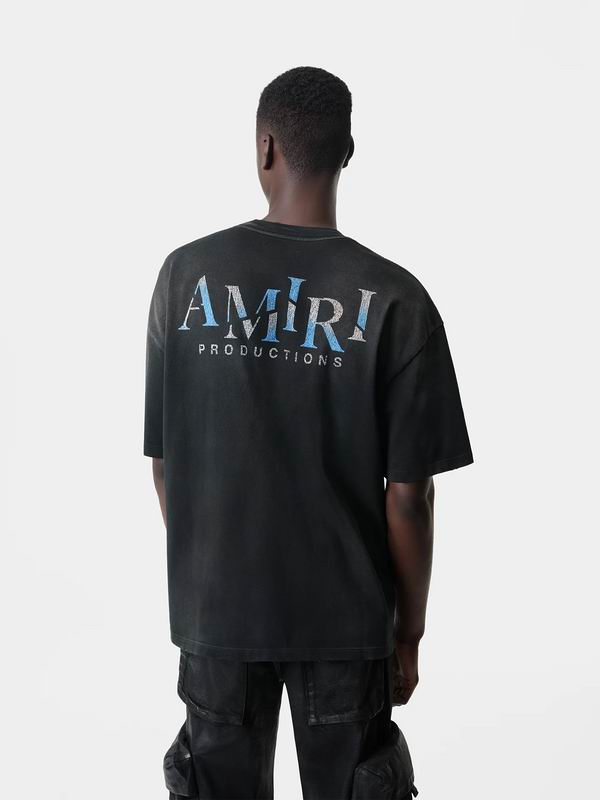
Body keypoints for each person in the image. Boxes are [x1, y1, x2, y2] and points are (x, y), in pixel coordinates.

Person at [144, 66, 473, 800]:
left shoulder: (183, 277)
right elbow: (409, 497)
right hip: (346, 622)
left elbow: (166, 463)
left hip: (218, 612)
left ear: (265, 147)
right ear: (347, 152)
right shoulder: (398, 301)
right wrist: (408, 632)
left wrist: (215, 567)